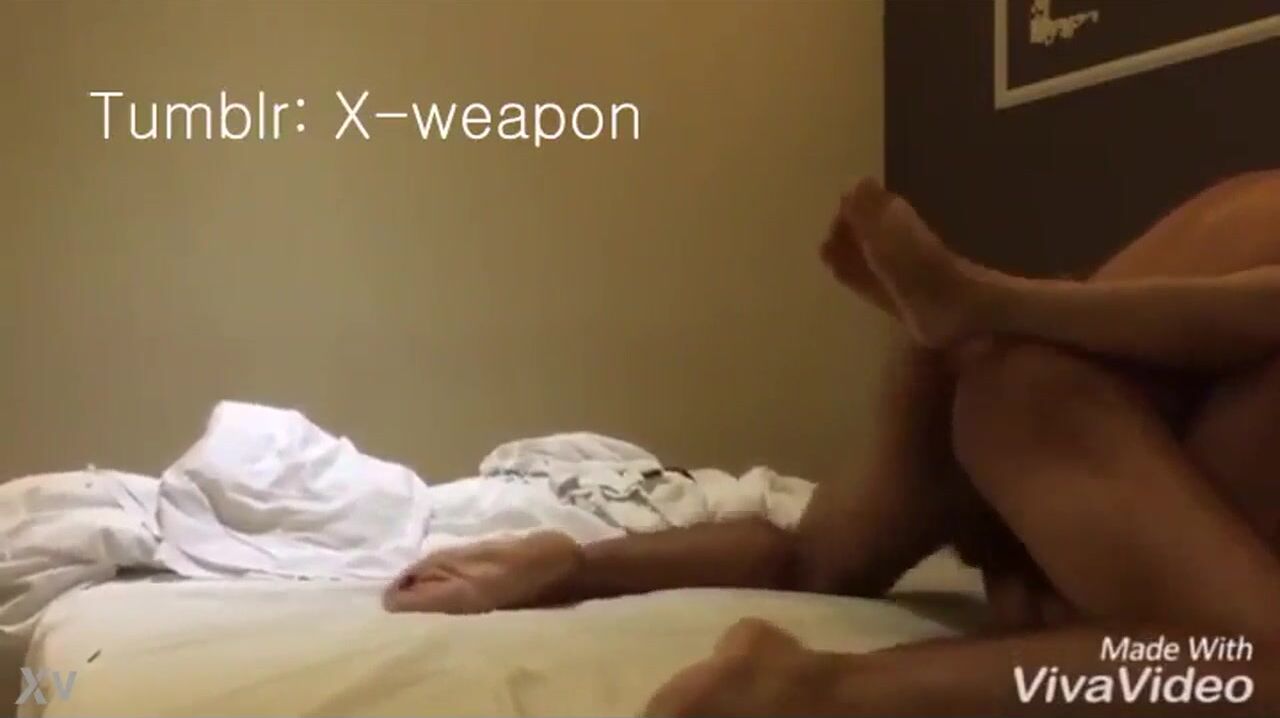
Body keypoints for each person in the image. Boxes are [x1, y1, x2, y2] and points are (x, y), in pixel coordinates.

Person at [385, 173, 1280, 716]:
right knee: (1249, 671)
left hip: (1032, 389)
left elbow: (811, 555)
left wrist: (575, 566)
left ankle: (569, 573)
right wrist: (988, 303)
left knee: (823, 554)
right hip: (1047, 395)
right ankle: (816, 695)